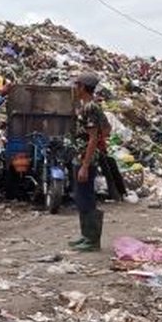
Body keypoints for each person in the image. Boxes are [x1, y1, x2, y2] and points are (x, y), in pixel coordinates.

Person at [70, 72, 110, 252]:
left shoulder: (90, 108)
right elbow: (107, 129)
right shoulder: (88, 106)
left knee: (86, 197)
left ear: (83, 87)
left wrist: (85, 165)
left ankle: (92, 240)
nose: (74, 88)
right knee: (81, 197)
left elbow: (93, 138)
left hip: (86, 159)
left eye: (76, 85)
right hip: (81, 156)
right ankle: (85, 235)